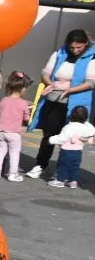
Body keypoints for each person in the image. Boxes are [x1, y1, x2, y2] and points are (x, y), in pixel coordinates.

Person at [28, 29, 94, 179]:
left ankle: (62, 171)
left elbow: (91, 82)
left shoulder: (92, 57)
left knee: (72, 138)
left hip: (76, 104)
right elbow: (45, 73)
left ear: (86, 43)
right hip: (55, 100)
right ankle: (40, 164)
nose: (75, 50)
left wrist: (70, 90)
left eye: (79, 47)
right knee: (49, 134)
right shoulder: (59, 53)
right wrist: (50, 84)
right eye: (72, 47)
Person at [0, 71, 31, 181]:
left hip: (1, 131)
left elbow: (0, 112)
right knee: (14, 153)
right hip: (14, 133)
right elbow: (26, 118)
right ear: (22, 89)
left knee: (0, 151)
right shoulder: (23, 103)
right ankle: (12, 174)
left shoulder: (3, 100)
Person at [48, 105, 93, 189]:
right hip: (78, 152)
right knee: (75, 167)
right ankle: (73, 182)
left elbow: (62, 138)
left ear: (72, 115)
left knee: (63, 165)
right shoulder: (87, 128)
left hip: (66, 151)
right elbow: (92, 131)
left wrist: (51, 139)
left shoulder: (69, 127)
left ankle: (60, 180)